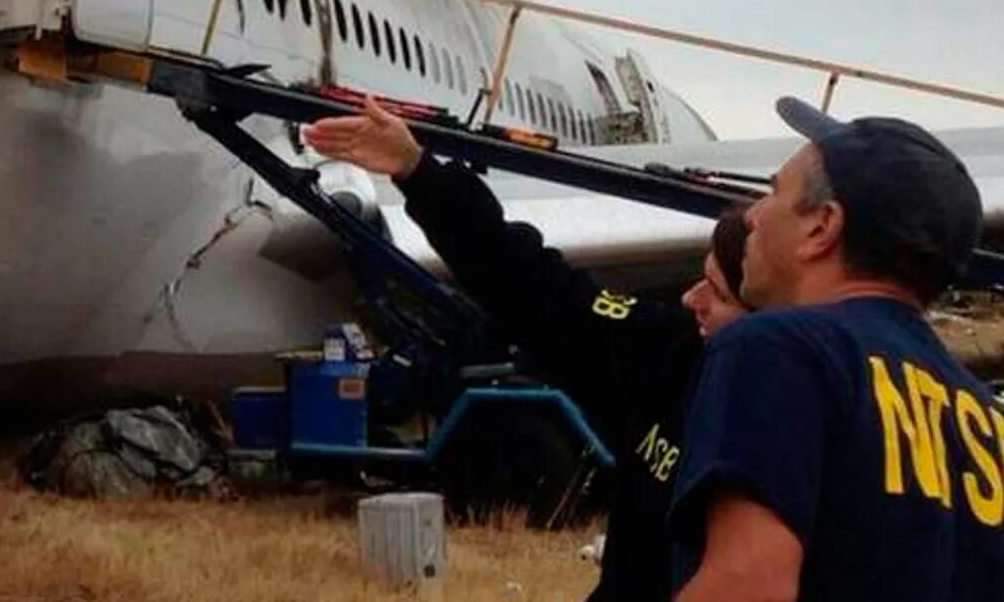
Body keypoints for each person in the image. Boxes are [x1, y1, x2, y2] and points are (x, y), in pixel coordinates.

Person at [304, 99, 750, 602]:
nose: (691, 297)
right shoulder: (667, 351)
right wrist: (419, 172)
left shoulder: (798, 416)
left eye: (718, 290)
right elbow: (530, 284)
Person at [670, 98, 1004, 602]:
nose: (752, 216)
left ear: (821, 227)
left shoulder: (776, 350)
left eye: (772, 193)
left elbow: (748, 585)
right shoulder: (991, 425)